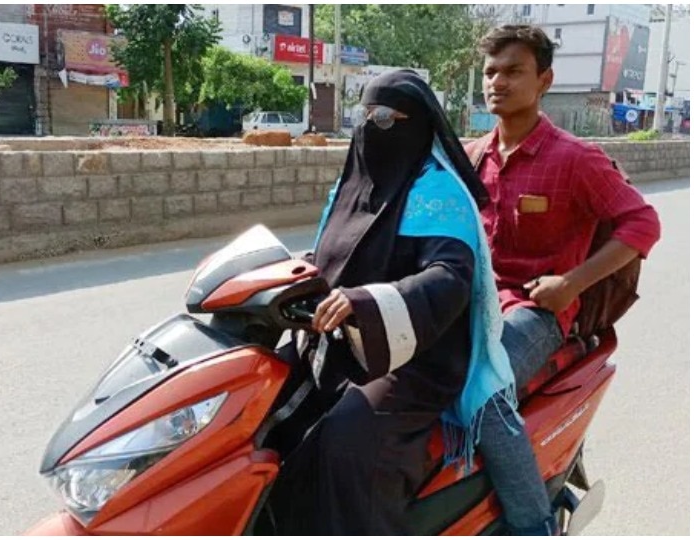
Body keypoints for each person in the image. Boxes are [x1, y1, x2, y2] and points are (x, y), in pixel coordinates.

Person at [271, 69, 519, 535]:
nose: (369, 126)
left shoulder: (437, 193)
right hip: (338, 343)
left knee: (350, 438)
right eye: (363, 114)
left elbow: (449, 277)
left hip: (414, 356)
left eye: (383, 116)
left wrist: (363, 301)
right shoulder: (351, 187)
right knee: (265, 407)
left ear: (417, 126)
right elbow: (331, 258)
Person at [468, 25, 662, 535]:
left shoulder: (575, 159)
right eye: (491, 72)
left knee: (482, 394)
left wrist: (572, 283)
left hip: (539, 312)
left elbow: (643, 223)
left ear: (545, 80)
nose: (498, 82)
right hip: (470, 307)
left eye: (514, 71)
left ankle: (535, 526)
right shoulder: (472, 157)